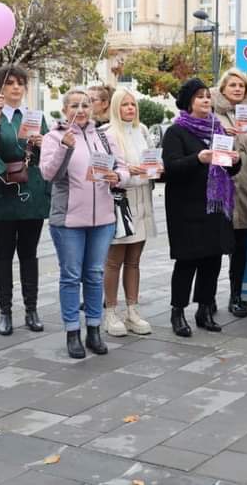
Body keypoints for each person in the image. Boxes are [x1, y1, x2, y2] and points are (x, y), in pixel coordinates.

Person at [40, 88, 123, 359]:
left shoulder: (104, 136)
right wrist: (65, 147)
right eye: (74, 105)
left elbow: (122, 168)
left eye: (86, 105)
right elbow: (49, 174)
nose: (81, 110)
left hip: (103, 220)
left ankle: (94, 330)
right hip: (69, 221)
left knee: (95, 274)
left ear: (94, 109)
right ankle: (72, 332)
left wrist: (117, 176)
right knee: (71, 275)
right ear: (64, 110)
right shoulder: (54, 137)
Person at [163, 78, 241, 336]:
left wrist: (236, 160)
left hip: (214, 207)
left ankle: (204, 309)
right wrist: (198, 158)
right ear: (188, 102)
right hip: (186, 207)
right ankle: (178, 311)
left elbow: (228, 170)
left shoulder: (218, 130)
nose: (206, 100)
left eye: (208, 96)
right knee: (187, 261)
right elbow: (171, 167)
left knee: (212, 259)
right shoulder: (177, 132)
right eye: (200, 97)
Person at [0, 65, 50, 336]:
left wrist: (44, 144)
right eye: (10, 84)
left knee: (29, 254)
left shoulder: (35, 117)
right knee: (3, 254)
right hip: (2, 190)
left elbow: (45, 158)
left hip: (30, 191)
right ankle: (5, 311)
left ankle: (32, 309)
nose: (16, 88)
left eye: (21, 83)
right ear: (0, 89)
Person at [100, 87, 156, 337]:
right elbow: (107, 172)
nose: (130, 108)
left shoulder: (142, 131)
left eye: (133, 104)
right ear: (115, 107)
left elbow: (151, 162)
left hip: (143, 198)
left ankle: (132, 310)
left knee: (134, 260)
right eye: (124, 104)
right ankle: (110, 312)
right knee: (114, 260)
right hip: (121, 201)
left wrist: (155, 169)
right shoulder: (107, 134)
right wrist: (130, 173)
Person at [211, 68, 247, 318]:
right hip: (220, 182)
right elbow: (207, 147)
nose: (237, 89)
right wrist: (225, 137)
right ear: (222, 89)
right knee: (213, 244)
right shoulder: (212, 114)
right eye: (232, 85)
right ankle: (207, 298)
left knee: (240, 245)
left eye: (241, 86)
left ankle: (236, 295)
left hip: (245, 183)